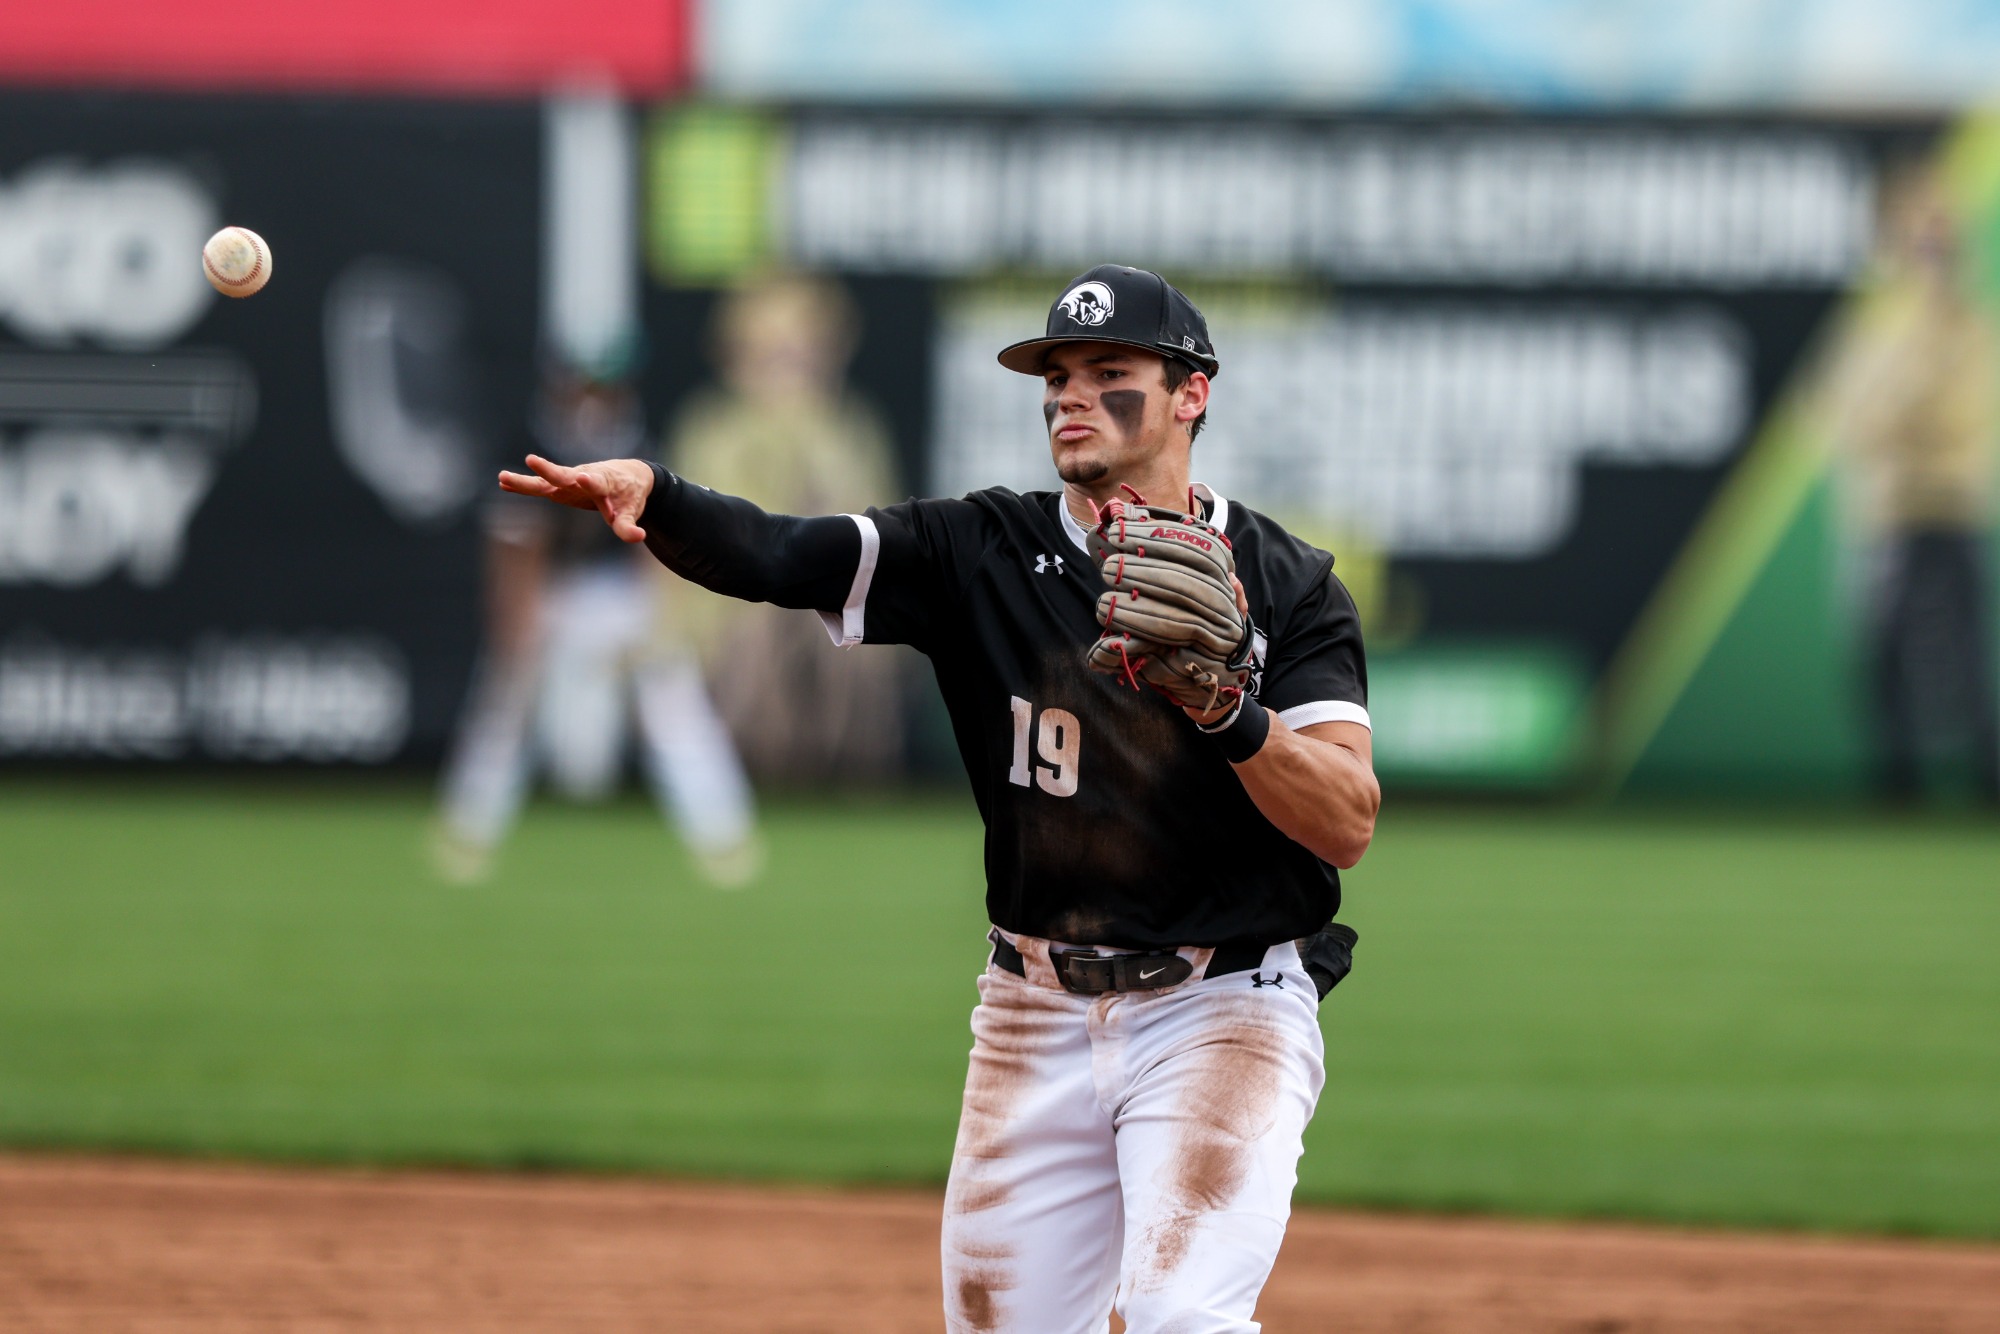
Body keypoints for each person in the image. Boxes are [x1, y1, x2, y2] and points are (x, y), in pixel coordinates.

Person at [499, 265, 1379, 1332]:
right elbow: (783, 551)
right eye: (1055, 374)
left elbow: (1342, 818)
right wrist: (662, 495)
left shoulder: (1282, 582)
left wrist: (1228, 708)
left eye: (1110, 373)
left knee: (1179, 1318)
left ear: (1190, 392)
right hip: (1032, 1009)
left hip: (1222, 1005)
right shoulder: (980, 550)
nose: (1068, 394)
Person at [433, 360, 761, 886]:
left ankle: (723, 839)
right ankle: (467, 833)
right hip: (553, 590)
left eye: (605, 389)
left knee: (672, 699)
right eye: (585, 388)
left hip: (619, 594)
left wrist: (663, 620)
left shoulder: (639, 441)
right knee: (506, 704)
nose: (595, 400)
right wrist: (516, 626)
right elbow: (518, 549)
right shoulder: (531, 442)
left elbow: (660, 541)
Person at [661, 273, 906, 784]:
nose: (788, 369)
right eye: (771, 354)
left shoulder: (851, 430)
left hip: (834, 597)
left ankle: (855, 774)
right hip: (732, 605)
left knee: (855, 637)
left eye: (801, 353)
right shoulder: (713, 428)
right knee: (752, 636)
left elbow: (876, 527)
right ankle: (748, 769)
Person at [1826, 164, 2000, 801]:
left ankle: (1987, 780)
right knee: (1879, 660)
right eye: (1914, 226)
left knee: (1965, 659)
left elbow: (1956, 416)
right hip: (1881, 515)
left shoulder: (1967, 323)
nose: (1926, 241)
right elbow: (1834, 414)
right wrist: (1886, 417)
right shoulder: (1873, 321)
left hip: (1950, 507)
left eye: (1936, 227)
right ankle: (1898, 787)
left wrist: (1890, 416)